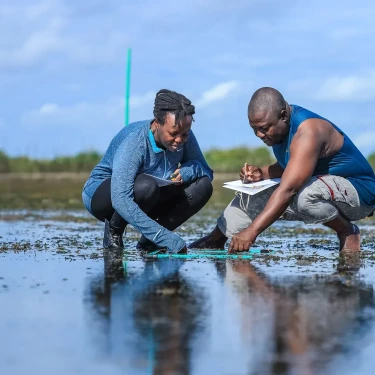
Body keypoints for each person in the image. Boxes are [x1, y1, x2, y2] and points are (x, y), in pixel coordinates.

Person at [190, 87, 375, 254]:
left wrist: (251, 232)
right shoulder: (280, 132)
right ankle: (216, 239)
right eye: (254, 129)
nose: (259, 135)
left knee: (304, 195)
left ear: (284, 116)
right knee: (250, 193)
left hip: (359, 194)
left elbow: (288, 189)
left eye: (264, 129)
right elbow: (294, 166)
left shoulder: (308, 132)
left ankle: (347, 231)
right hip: (325, 187)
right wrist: (261, 173)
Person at [82, 89, 213, 254]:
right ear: (157, 123)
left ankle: (148, 241)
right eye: (173, 134)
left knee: (203, 186)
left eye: (185, 134)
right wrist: (164, 237)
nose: (179, 140)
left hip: (149, 194)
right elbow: (121, 199)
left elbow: (207, 170)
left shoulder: (183, 134)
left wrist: (187, 171)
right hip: (103, 195)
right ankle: (114, 231)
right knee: (146, 186)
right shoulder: (135, 142)